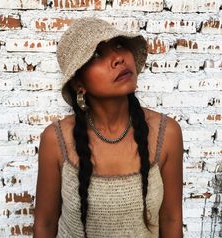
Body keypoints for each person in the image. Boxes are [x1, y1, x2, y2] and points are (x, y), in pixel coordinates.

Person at [33, 17, 183, 238]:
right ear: (78, 83)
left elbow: (171, 219)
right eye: (97, 54)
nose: (118, 58)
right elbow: (45, 223)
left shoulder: (166, 133)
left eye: (120, 46)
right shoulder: (56, 140)